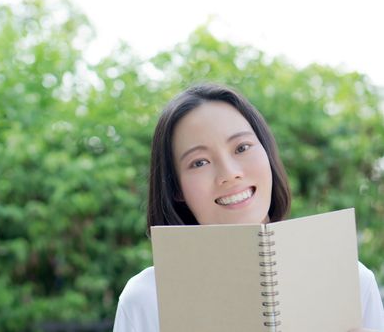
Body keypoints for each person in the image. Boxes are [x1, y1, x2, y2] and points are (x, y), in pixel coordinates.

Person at [113, 84, 384, 331]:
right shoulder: (147, 298)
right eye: (199, 162)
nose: (229, 174)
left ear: (267, 153)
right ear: (176, 189)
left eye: (242, 147)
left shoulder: (350, 281)